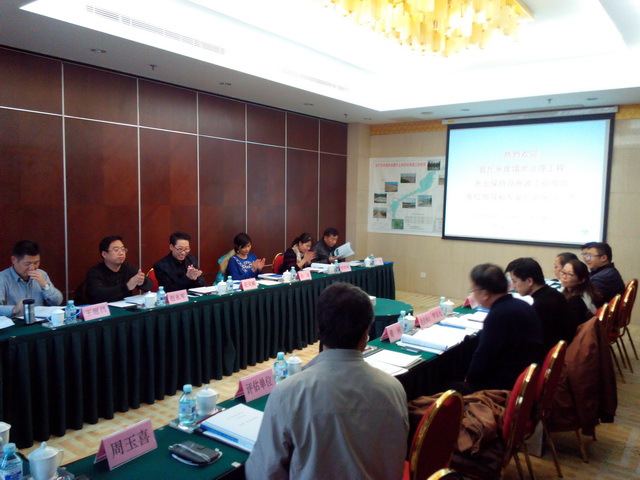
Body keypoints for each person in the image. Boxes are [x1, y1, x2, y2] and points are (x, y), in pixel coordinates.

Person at [245, 282, 409, 480]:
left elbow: (263, 473)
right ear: (366, 334)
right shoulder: (393, 389)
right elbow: (395, 461)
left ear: (319, 330)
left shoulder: (288, 393)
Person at [463, 263, 543, 392]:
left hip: (504, 386)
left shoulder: (498, 315)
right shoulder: (522, 305)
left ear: (485, 293)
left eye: (474, 291)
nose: (474, 295)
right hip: (525, 378)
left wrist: (468, 381)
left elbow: (483, 360)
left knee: (446, 386)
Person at [509, 257, 576, 350]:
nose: (513, 286)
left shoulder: (541, 305)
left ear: (529, 281)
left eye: (514, 281)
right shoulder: (554, 294)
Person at [0, 240, 63, 317]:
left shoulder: (41, 274)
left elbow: (57, 302)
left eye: (36, 263)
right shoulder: (2, 278)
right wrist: (14, 309)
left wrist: (45, 285)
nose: (32, 268)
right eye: (27, 264)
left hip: (39, 321)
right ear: (14, 260)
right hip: (14, 322)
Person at [85, 236, 152, 303]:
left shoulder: (127, 268)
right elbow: (98, 293)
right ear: (104, 254)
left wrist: (142, 281)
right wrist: (127, 287)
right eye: (116, 250)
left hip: (126, 307)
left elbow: (149, 285)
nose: (121, 253)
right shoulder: (94, 273)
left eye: (123, 249)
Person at [583, 242, 625, 306]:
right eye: (586, 256)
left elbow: (589, 303)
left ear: (603, 258)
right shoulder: (610, 271)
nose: (587, 259)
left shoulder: (601, 278)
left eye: (590, 256)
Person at [560, 259, 599, 326]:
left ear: (581, 280)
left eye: (570, 274)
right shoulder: (568, 290)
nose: (564, 277)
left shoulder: (577, 300)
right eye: (563, 272)